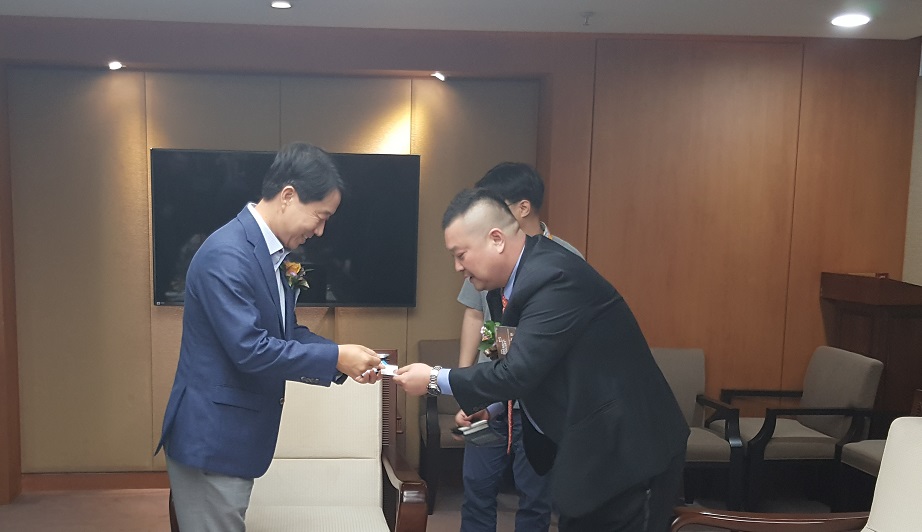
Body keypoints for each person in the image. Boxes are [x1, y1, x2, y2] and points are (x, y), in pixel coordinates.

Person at [395, 188, 689, 532]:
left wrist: (435, 379)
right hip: (585, 449)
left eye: (461, 255)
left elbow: (516, 372)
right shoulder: (499, 289)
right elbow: (514, 359)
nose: (457, 267)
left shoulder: (554, 277)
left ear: (496, 239)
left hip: (628, 449)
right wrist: (491, 406)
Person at [156, 142, 384, 531]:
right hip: (213, 439)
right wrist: (336, 358)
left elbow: (285, 333)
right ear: (288, 196)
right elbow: (251, 349)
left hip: (231, 438)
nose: (320, 230)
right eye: (320, 216)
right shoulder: (228, 254)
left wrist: (341, 356)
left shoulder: (269, 254)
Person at [454, 163, 581, 532]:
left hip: (541, 398)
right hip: (492, 386)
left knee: (535, 496)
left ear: (523, 207)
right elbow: (477, 316)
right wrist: (466, 382)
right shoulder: (488, 250)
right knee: (476, 487)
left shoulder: (564, 258)